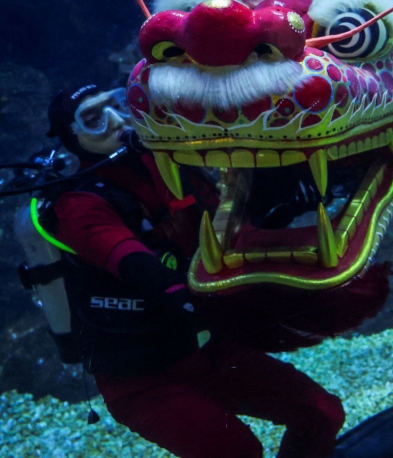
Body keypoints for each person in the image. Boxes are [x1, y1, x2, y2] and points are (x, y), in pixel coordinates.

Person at [42, 84, 347, 458]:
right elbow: (137, 266)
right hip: (143, 380)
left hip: (212, 351)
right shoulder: (78, 203)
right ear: (72, 139)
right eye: (93, 119)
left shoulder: (172, 165)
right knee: (236, 451)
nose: (117, 120)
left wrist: (276, 212)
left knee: (321, 413)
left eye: (118, 104)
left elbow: (226, 227)